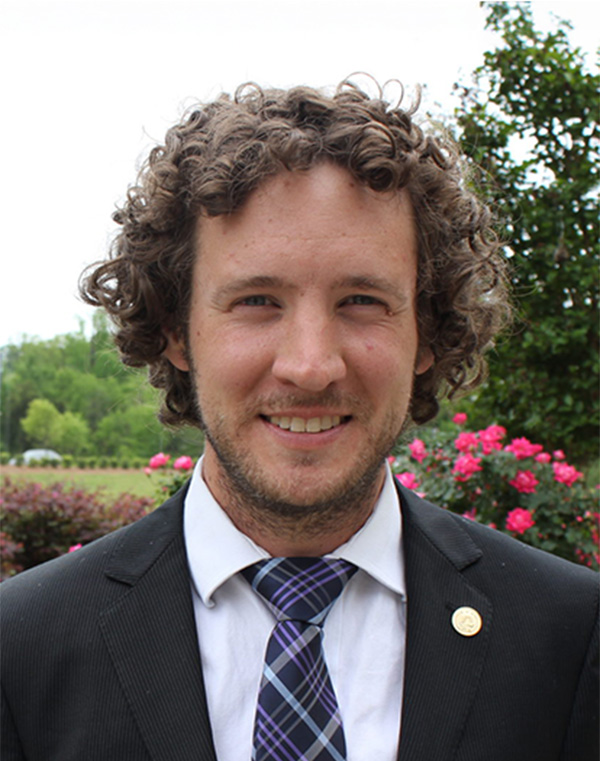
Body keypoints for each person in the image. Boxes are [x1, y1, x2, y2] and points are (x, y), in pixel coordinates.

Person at [1, 79, 597, 761]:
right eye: (257, 300)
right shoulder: (20, 653)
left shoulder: (570, 638)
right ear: (174, 328)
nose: (311, 366)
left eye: (362, 300)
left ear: (427, 332)